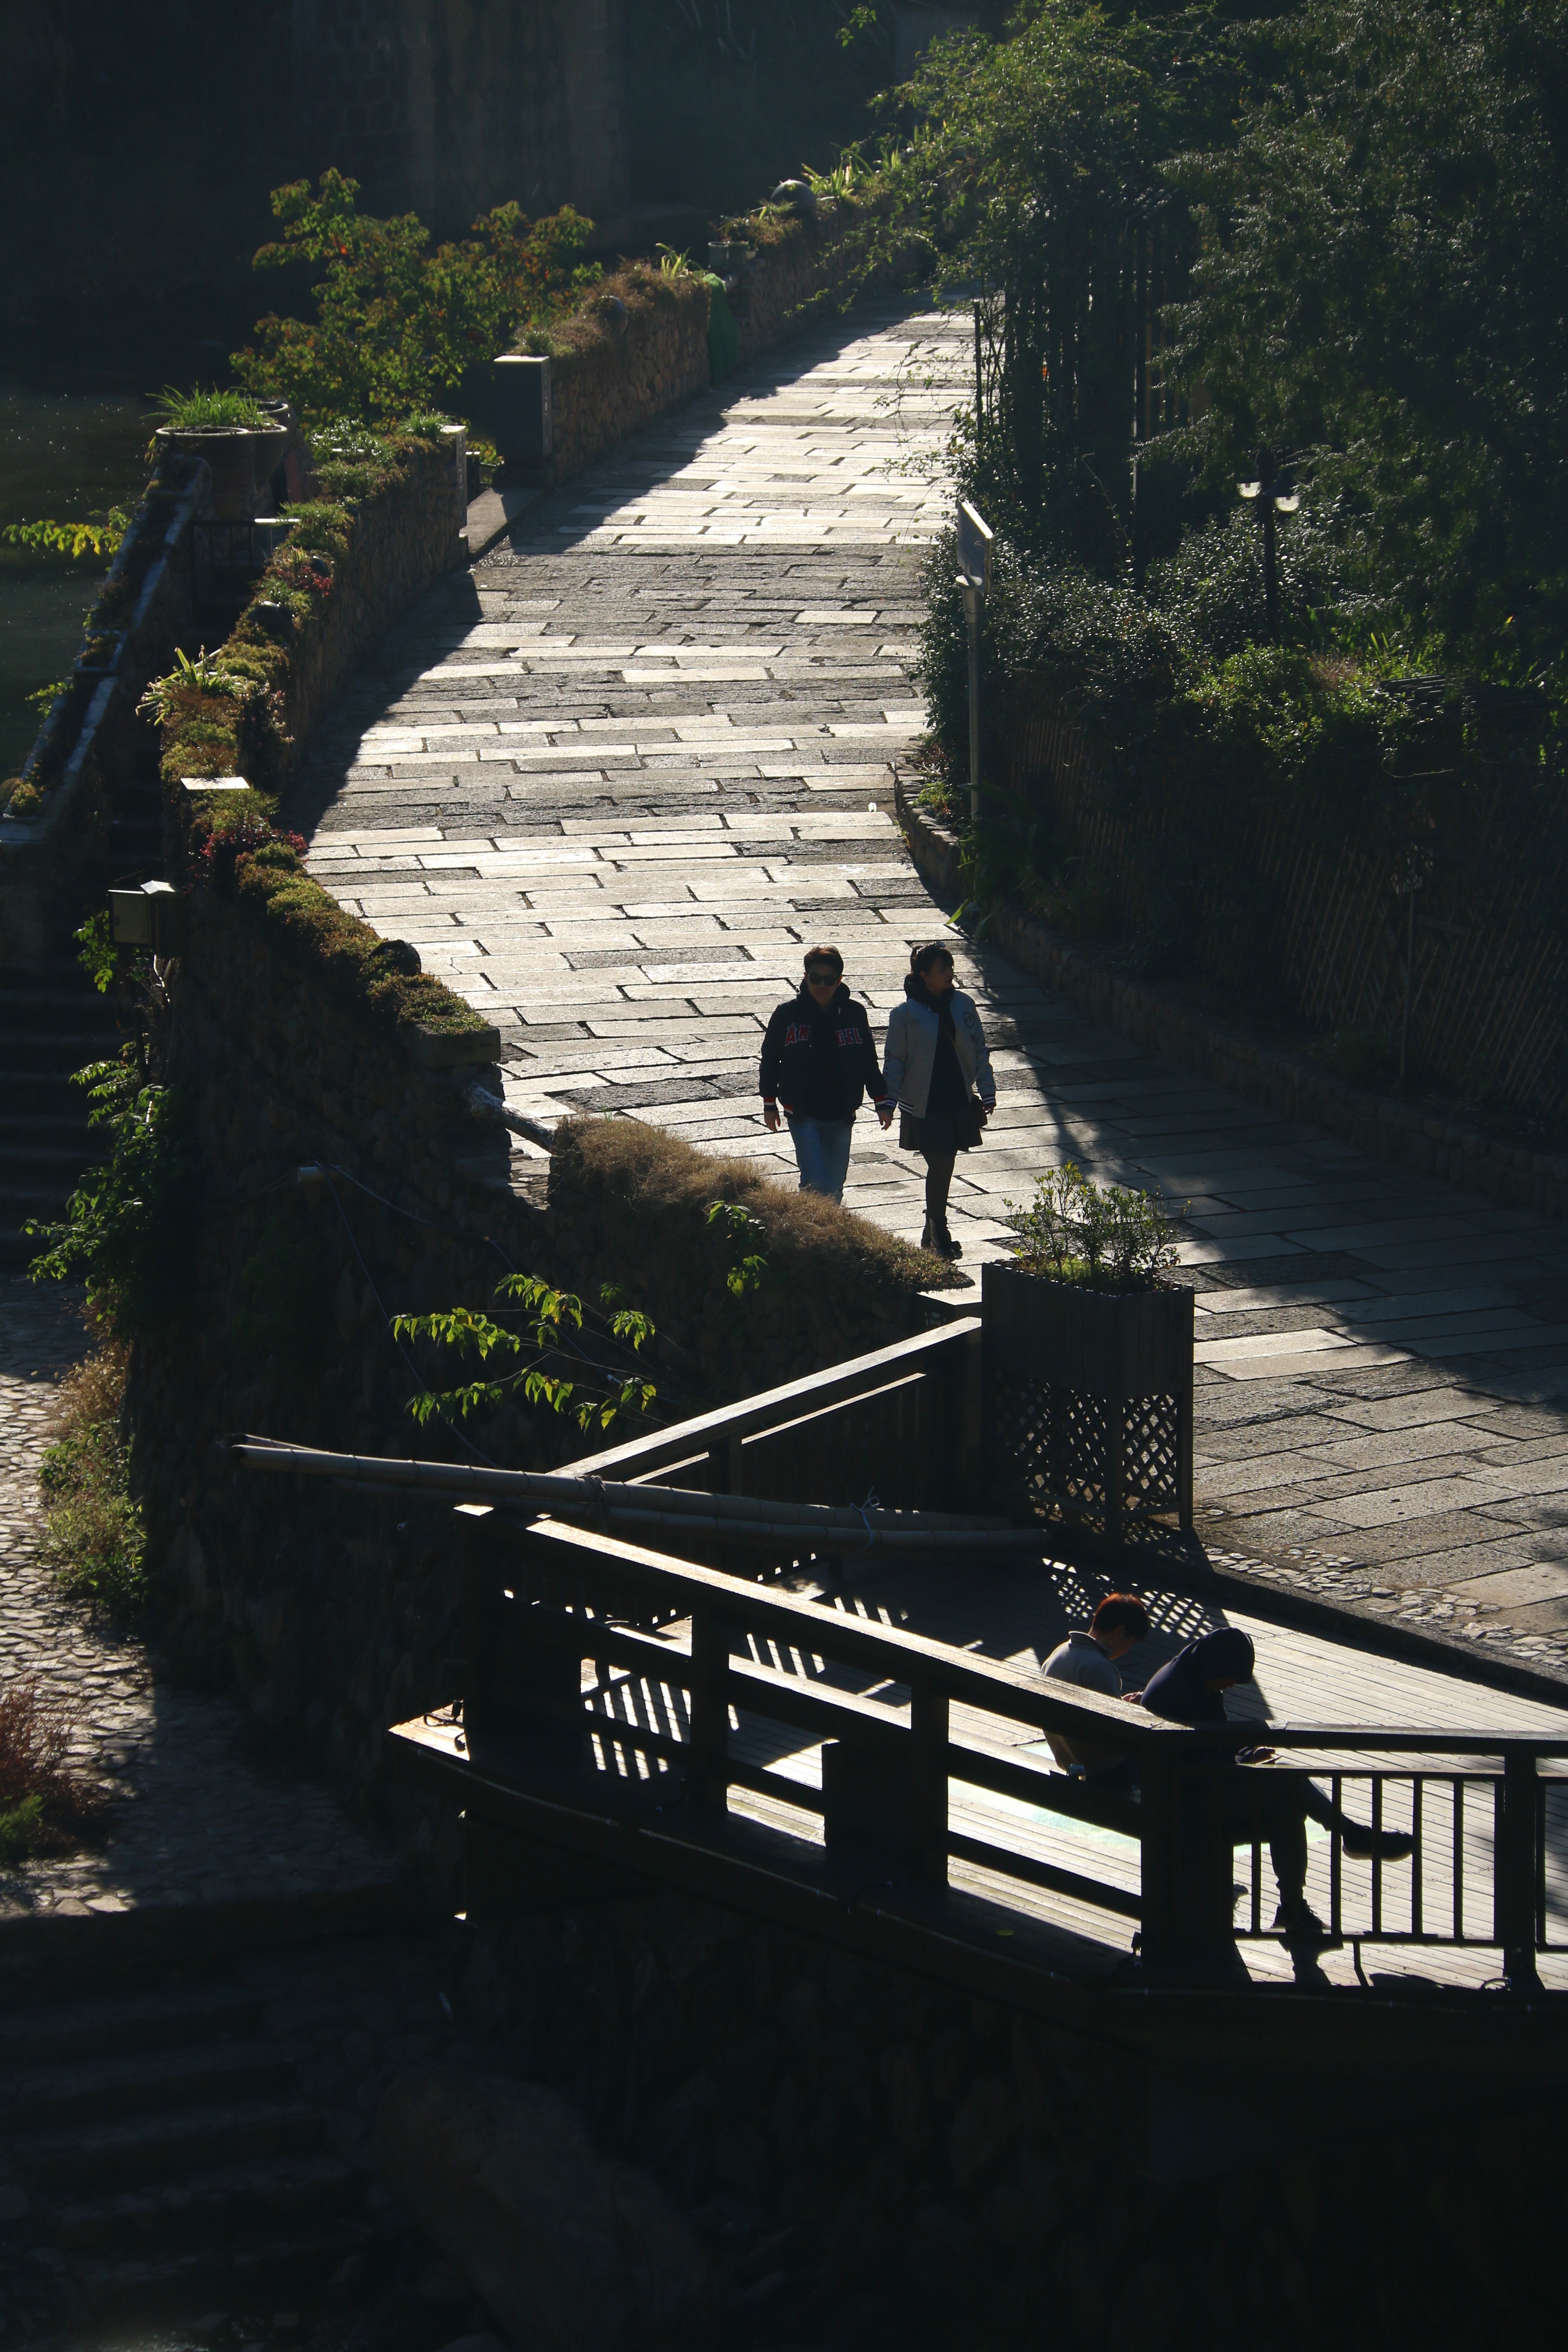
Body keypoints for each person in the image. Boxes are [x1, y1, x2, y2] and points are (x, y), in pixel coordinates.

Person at [1140, 1625, 1414, 1953]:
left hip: (1195, 1787)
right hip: (1181, 1801)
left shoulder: (1195, 1676)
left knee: (1288, 1807)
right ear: (1217, 1667)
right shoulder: (1179, 1694)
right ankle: (1351, 1835)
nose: (1230, 1686)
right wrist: (1242, 1765)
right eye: (1229, 1678)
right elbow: (1198, 1762)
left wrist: (1244, 1756)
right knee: (1286, 1780)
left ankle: (1294, 1906)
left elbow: (1213, 1749)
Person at [882, 942, 996, 1258]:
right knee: (942, 1163)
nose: (950, 973)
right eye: (942, 969)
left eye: (950, 967)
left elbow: (979, 1048)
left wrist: (987, 1090)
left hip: (957, 1097)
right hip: (924, 1102)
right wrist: (887, 1102)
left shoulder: (963, 1004)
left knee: (945, 1164)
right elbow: (895, 1060)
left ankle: (930, 1232)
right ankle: (940, 1228)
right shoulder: (905, 1014)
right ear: (924, 975)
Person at [760, 946, 892, 1203]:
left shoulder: (855, 1013)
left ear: (839, 980)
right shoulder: (787, 1014)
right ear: (805, 977)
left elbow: (868, 1060)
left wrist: (881, 1101)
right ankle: (810, 1235)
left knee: (834, 1185)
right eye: (815, 978)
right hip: (802, 1111)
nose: (822, 985)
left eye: (829, 980)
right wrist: (769, 1103)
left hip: (842, 1112)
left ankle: (827, 1237)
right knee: (814, 1182)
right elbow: (770, 1059)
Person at [1041, 1594, 1151, 1786]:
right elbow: (1117, 1731)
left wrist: (1120, 1704)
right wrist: (1134, 1710)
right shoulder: (1099, 1667)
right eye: (1130, 1642)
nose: (1128, 1649)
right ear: (1119, 1632)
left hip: (1067, 1757)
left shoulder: (1059, 1654)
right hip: (1100, 1768)